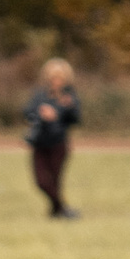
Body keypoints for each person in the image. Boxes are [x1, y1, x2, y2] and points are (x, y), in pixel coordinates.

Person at [25, 58, 82, 219]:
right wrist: (41, 113)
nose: (56, 81)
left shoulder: (69, 98)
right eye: (53, 78)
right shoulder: (40, 96)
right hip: (40, 143)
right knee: (42, 181)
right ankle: (63, 209)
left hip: (58, 143)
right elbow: (27, 112)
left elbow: (76, 119)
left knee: (56, 181)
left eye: (60, 78)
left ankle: (56, 212)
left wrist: (65, 110)